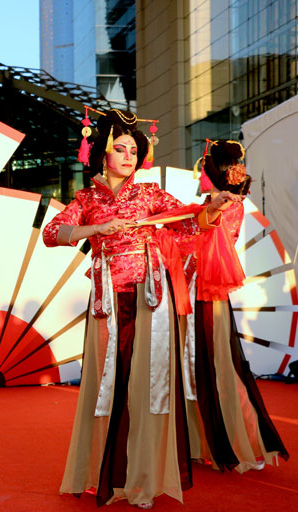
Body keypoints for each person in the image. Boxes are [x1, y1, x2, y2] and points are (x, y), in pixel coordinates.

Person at [43, 109, 243, 508]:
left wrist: (215, 207)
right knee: (106, 387)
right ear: (102, 154)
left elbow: (189, 223)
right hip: (107, 303)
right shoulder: (86, 199)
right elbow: (52, 233)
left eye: (134, 150)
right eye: (120, 149)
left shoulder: (150, 194)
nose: (128, 156)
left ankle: (144, 479)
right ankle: (106, 474)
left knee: (149, 387)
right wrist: (95, 229)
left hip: (151, 297)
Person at [180, 140, 289, 473]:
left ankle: (233, 443)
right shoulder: (221, 205)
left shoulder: (224, 206)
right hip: (197, 287)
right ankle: (206, 443)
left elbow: (199, 241)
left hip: (205, 288)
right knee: (201, 365)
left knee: (213, 365)